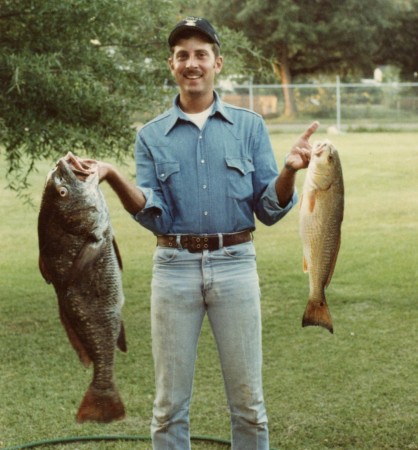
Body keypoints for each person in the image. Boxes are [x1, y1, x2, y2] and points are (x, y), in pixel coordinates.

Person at [88, 16, 318, 450]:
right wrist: (114, 176)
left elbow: (269, 209)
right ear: (172, 65)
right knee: (168, 406)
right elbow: (154, 215)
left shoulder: (249, 126)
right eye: (182, 55)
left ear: (217, 62)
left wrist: (288, 171)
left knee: (249, 404)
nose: (191, 63)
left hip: (236, 266)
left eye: (200, 54)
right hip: (173, 269)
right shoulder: (151, 136)